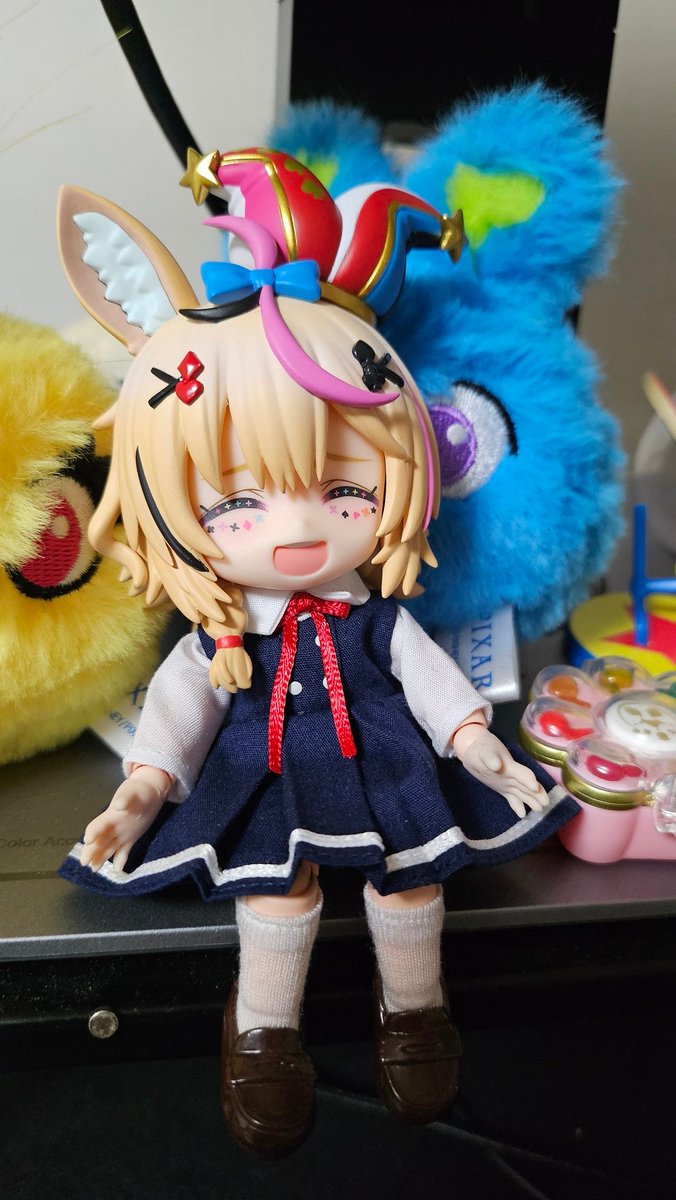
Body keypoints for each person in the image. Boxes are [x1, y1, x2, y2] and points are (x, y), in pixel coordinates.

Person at [58, 166, 577, 1159]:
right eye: (235, 503)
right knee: (277, 893)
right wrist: (145, 783)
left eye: (345, 492)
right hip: (263, 771)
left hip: (381, 761)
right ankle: (262, 1030)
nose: (297, 531)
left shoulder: (372, 615)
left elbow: (427, 675)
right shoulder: (225, 631)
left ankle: (413, 1010)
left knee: (412, 887)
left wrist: (474, 740)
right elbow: (184, 699)